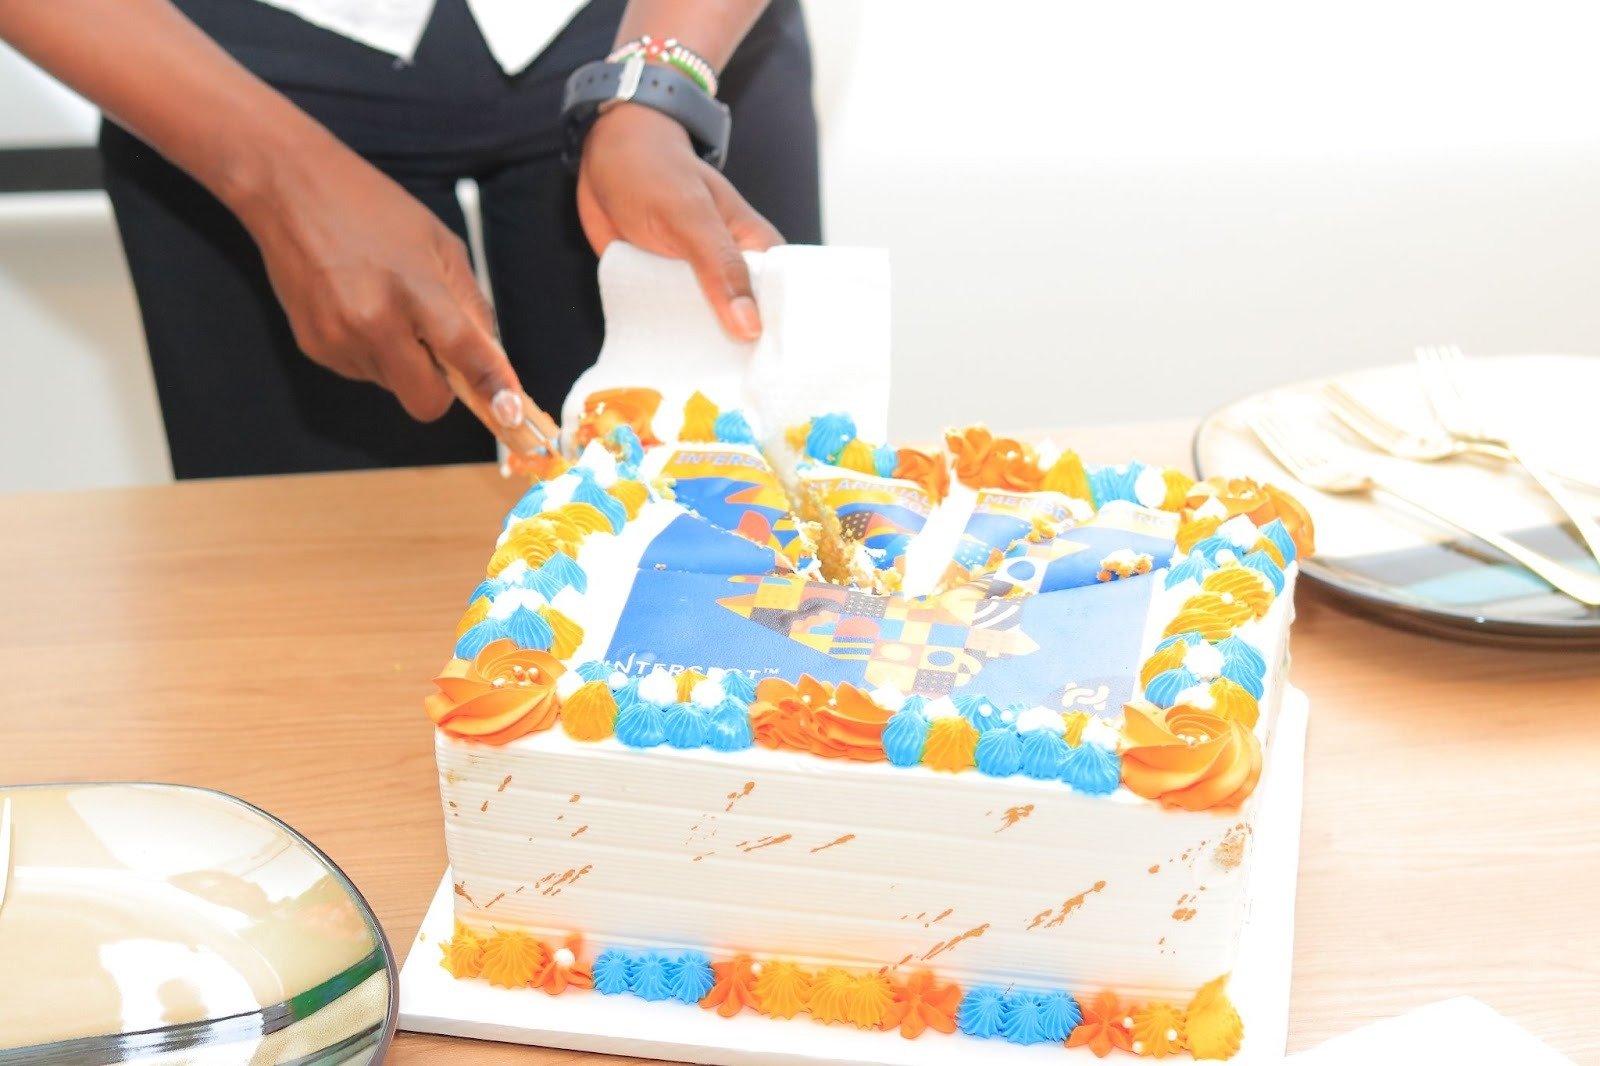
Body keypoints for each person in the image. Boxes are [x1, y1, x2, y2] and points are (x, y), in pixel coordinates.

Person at [0, 0, 819, 477]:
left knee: (747, 571)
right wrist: (274, 177)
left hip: (664, 29)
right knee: (329, 620)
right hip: (222, 65)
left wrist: (661, 86)